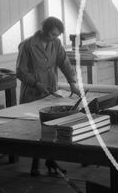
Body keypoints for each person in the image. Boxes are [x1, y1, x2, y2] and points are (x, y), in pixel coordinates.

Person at [16, 16, 81, 176]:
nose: (54, 38)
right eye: (52, 34)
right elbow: (20, 71)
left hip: (51, 91)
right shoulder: (28, 45)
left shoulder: (56, 43)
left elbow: (64, 62)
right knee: (37, 129)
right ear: (43, 31)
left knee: (53, 126)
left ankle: (50, 161)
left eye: (57, 35)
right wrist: (37, 84)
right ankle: (36, 164)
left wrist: (72, 82)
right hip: (33, 93)